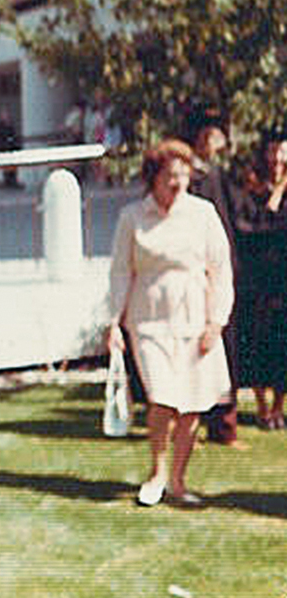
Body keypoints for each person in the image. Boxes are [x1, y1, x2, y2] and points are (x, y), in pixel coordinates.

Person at [108, 139, 233, 507]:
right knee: (162, 399)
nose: (178, 182)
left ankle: (178, 481)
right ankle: (157, 473)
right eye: (170, 175)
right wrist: (113, 323)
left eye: (184, 174)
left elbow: (221, 271)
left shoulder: (203, 214)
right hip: (147, 323)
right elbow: (119, 273)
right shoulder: (132, 217)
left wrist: (216, 322)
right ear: (153, 177)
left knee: (192, 404)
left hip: (196, 322)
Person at [185, 106, 241, 445]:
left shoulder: (220, 175)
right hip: (196, 277)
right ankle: (196, 422)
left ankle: (225, 426)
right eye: (209, 135)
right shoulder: (190, 179)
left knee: (226, 351)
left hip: (223, 274)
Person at [229, 133, 287, 429]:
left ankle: (279, 407)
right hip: (257, 282)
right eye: (273, 154)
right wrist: (276, 195)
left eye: (282, 155)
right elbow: (254, 226)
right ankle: (263, 408)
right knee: (258, 343)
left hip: (283, 281)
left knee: (282, 346)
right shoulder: (249, 191)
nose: (277, 160)